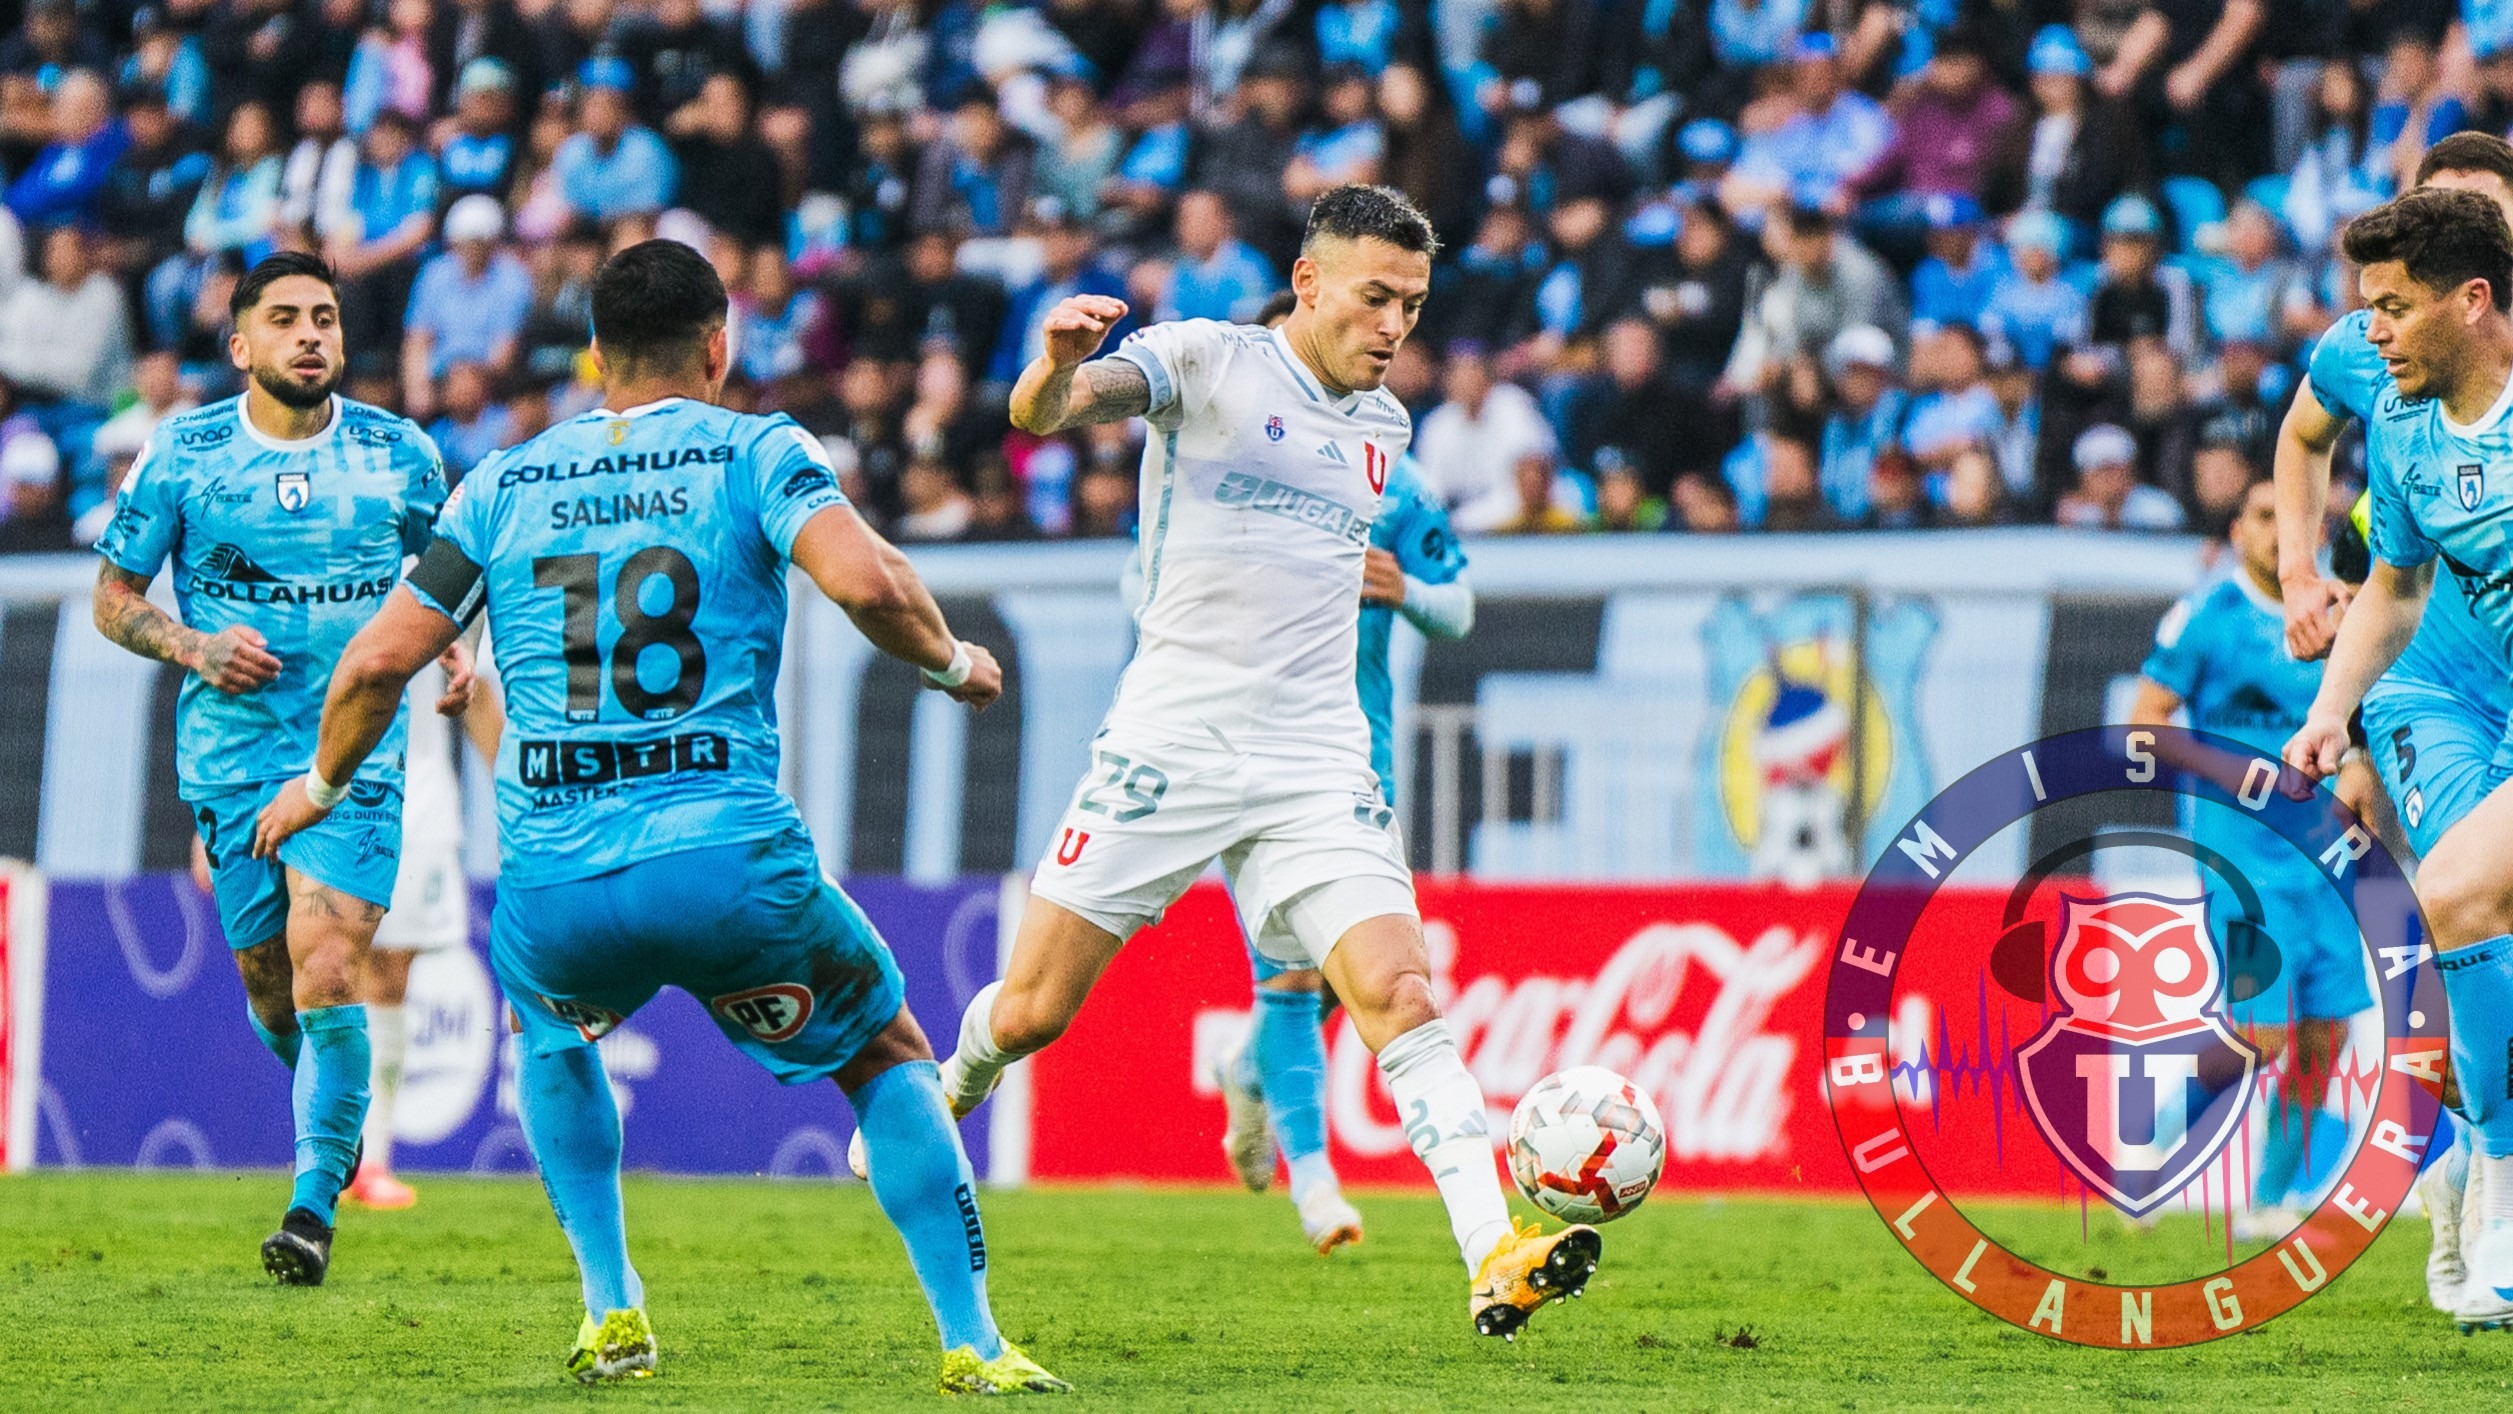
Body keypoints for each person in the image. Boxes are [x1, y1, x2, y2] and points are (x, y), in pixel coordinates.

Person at [249, 239, 1065, 1395]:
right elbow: (870, 584)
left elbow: (377, 663)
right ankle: (973, 1343)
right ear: (720, 343)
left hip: (558, 883)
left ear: (594, 356)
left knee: (547, 1030)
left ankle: (610, 1308)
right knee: (886, 1053)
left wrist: (322, 784)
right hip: (722, 858)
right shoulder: (760, 447)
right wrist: (951, 663)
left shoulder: (501, 481)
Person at [942, 184, 1602, 1340]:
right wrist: (1052, 365)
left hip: (1313, 756)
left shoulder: (1387, 431)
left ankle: (1494, 1249)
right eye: (1374, 297)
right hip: (1169, 738)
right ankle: (950, 1085)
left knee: (1398, 990)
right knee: (1034, 1012)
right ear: (1307, 283)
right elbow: (1047, 413)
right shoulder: (1206, 360)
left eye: (1411, 303)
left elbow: (1437, 596)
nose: (1395, 325)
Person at [88, 251, 467, 1285]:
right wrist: (194, 646)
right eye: (288, 318)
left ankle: (309, 1209)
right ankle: (332, 1127)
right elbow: (112, 598)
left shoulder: (402, 454)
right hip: (230, 757)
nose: (312, 335)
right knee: (273, 993)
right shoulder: (183, 453)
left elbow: (447, 581)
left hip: (353, 751)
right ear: (240, 343)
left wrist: (455, 651)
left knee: (328, 956)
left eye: (327, 319)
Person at [2271, 130, 2513, 1315]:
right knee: (2463, 902)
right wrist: (2298, 580)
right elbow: (2390, 578)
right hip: (2437, 683)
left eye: (2394, 302)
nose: (2372, 324)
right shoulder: (2391, 392)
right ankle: (2488, 1174)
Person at [1208, 289, 1472, 1253]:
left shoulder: (1395, 480)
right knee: (1287, 977)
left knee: (1340, 976)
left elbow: (1461, 607)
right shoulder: (1222, 468)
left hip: (1358, 755)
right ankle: (1315, 1186)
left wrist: (1409, 591)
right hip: (1248, 747)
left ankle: (1248, 1071)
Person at [2128, 476, 2369, 1237]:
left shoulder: (2343, 614)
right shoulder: (2208, 616)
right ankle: (2154, 1140)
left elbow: (2366, 720)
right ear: (2237, 531)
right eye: (2264, 517)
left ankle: (2268, 1201)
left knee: (2323, 1035)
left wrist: (2359, 763)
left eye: (2292, 518)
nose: (2280, 531)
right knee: (2260, 1032)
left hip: (2323, 859)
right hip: (2239, 858)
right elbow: (2144, 723)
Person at [345, 652, 501, 1210]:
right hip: (333, 796)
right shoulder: (333, 570)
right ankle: (331, 1154)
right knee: (327, 970)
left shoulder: (448, 574)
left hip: (420, 806)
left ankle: (371, 1160)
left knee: (388, 979)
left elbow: (477, 688)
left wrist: (517, 802)